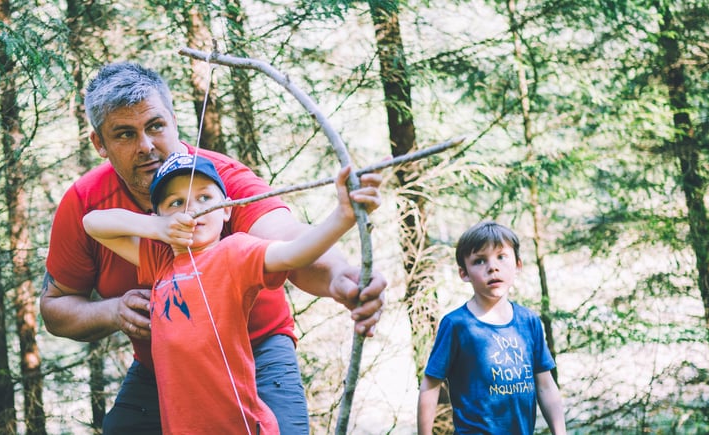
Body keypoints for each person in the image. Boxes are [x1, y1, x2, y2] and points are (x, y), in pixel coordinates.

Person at [41, 62, 387, 434]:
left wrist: (340, 279)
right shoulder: (86, 201)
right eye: (124, 134)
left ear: (174, 121)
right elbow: (57, 305)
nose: (146, 146)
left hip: (257, 352)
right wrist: (114, 311)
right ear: (100, 144)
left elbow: (284, 238)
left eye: (155, 126)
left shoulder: (217, 180)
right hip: (166, 364)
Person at [82, 152, 381, 433]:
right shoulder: (160, 262)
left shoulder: (234, 252)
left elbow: (293, 254)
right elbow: (93, 223)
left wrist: (342, 217)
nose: (192, 209)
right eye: (175, 202)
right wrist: (156, 228)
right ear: (158, 214)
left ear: (225, 209)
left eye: (204, 198)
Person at [417, 221, 566, 435]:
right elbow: (430, 387)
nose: (492, 267)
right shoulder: (457, 325)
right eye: (479, 261)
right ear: (464, 274)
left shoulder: (529, 321)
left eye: (501, 257)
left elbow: (545, 385)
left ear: (518, 265)